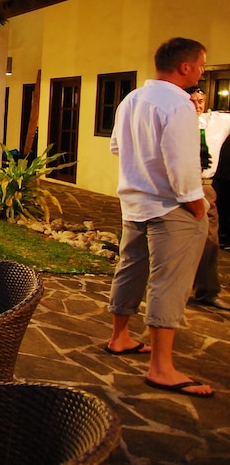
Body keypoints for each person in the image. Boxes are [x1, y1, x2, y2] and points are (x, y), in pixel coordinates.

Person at [107, 37, 213, 398]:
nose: (201, 72)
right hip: (170, 207)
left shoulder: (132, 99)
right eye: (201, 65)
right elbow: (182, 164)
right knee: (169, 282)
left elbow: (117, 147)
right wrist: (197, 205)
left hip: (134, 202)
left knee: (131, 268)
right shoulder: (178, 103)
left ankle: (119, 336)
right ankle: (162, 368)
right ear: (185, 66)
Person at [187, 86, 230, 310]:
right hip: (177, 186)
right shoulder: (173, 122)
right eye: (192, 101)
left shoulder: (216, 121)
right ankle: (174, 289)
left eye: (201, 101)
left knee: (210, 240)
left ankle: (207, 291)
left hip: (204, 187)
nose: (197, 106)